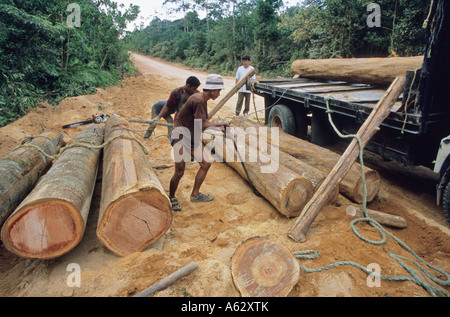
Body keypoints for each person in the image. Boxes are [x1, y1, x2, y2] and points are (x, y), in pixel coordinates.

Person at [169, 74, 231, 211]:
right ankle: (172, 197)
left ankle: (195, 195)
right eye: (218, 91)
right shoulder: (198, 100)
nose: (219, 94)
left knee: (205, 163)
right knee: (179, 172)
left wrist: (220, 127)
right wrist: (221, 124)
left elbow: (202, 123)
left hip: (191, 137)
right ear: (211, 90)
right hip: (181, 137)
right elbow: (202, 125)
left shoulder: (202, 98)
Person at [143, 76, 201, 140]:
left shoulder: (196, 94)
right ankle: (146, 136)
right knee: (154, 122)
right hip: (158, 109)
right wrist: (158, 117)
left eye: (196, 88)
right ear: (188, 86)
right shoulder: (176, 92)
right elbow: (167, 106)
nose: (195, 90)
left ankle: (170, 137)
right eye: (194, 88)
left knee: (170, 122)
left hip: (169, 111)